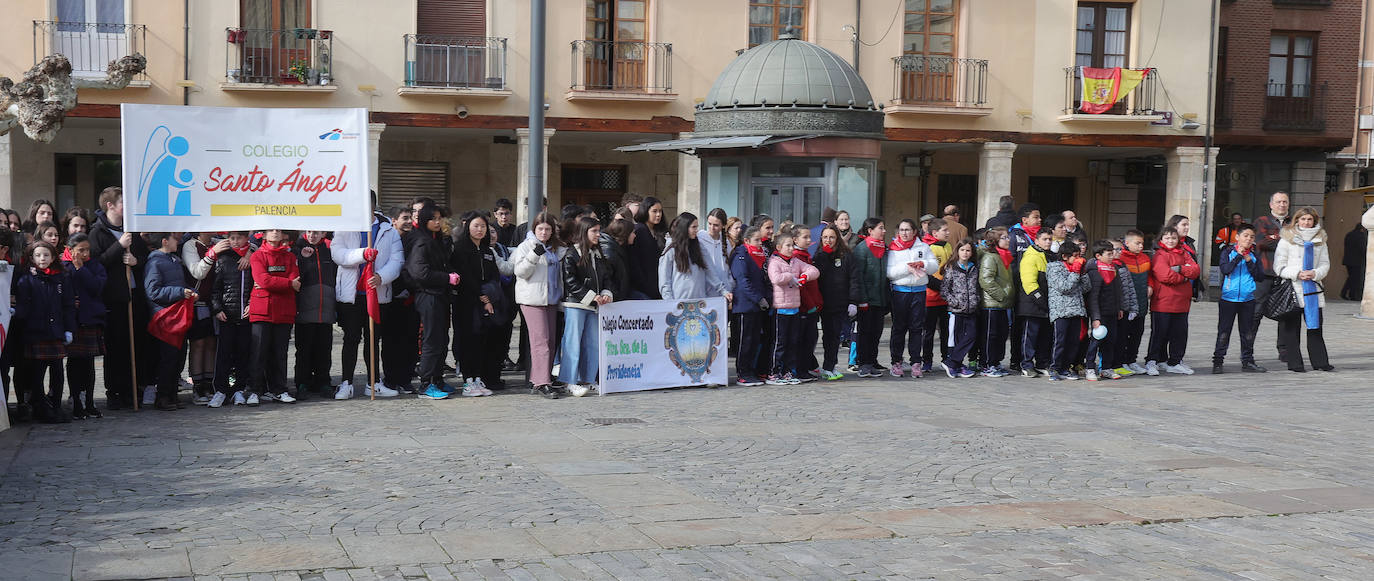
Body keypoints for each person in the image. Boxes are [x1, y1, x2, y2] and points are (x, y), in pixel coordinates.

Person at [333, 194, 405, 399]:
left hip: (377, 293)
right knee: (351, 338)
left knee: (373, 339)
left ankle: (373, 382)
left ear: (374, 206)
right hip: (352, 294)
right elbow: (338, 253)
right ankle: (346, 382)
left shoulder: (388, 230)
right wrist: (361, 254)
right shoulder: (345, 227)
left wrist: (381, 277)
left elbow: (397, 260)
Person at [88, 187, 152, 410]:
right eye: (123, 202)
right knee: (116, 347)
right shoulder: (97, 232)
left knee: (135, 346)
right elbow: (97, 263)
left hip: (134, 297)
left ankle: (131, 389)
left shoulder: (131, 230)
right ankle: (114, 391)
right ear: (110, 205)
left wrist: (136, 261)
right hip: (113, 299)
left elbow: (145, 257)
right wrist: (119, 246)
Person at [15, 241, 76, 421]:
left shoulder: (61, 278)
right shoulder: (26, 279)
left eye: (46, 255)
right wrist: (16, 312)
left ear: (53, 257)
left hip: (56, 331)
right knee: (37, 374)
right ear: (32, 258)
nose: (42, 259)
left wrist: (69, 329)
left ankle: (57, 405)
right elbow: (23, 304)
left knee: (58, 372)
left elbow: (68, 305)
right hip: (36, 332)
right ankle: (41, 407)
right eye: (38, 255)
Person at [406, 205, 461, 399]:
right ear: (424, 220)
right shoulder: (421, 240)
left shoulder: (436, 239)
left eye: (439, 218)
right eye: (433, 219)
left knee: (441, 338)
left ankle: (437, 378)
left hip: (441, 295)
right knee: (431, 339)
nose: (438, 222)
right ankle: (425, 383)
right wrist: (447, 278)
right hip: (428, 294)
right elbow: (420, 272)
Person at [560, 217, 619, 396]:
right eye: (594, 231)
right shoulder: (572, 254)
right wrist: (592, 297)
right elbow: (570, 281)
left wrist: (607, 293)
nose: (598, 234)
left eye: (599, 230)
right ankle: (569, 381)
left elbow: (607, 276)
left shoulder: (598, 253)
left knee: (593, 344)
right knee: (573, 343)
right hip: (576, 304)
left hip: (594, 306)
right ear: (584, 232)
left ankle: (588, 379)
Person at [452, 211, 508, 394]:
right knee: (468, 340)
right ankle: (468, 380)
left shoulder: (487, 251)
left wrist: (488, 296)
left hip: (486, 301)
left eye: (483, 226)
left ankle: (478, 378)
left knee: (481, 340)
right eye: (476, 226)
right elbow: (465, 277)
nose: (480, 229)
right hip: (467, 302)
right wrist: (481, 295)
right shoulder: (460, 249)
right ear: (467, 227)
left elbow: (493, 276)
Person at [244, 229, 299, 406]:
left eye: (278, 230)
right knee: (258, 353)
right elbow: (263, 280)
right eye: (271, 230)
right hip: (262, 310)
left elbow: (295, 279)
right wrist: (288, 284)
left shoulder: (290, 257)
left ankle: (280, 389)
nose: (275, 233)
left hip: (284, 310)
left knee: (280, 354)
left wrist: (286, 283)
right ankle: (254, 390)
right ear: (264, 235)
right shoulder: (257, 256)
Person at [1274, 207, 1333, 373]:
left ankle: (1320, 362)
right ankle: (1295, 363)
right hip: (1293, 288)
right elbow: (1279, 266)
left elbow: (1325, 264)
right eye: (1303, 219)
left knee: (1315, 327)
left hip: (1313, 289)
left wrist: (1315, 273)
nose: (1306, 223)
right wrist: (1297, 273)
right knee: (1292, 329)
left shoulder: (1321, 239)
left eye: (1309, 219)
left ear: (1314, 221)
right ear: (1297, 220)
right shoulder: (1287, 239)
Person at [513, 212, 564, 399]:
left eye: (548, 229)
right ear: (534, 229)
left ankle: (539, 378)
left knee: (550, 342)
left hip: (551, 299)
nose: (544, 232)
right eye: (540, 229)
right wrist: (533, 255)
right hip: (532, 299)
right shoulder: (526, 246)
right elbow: (520, 272)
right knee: (540, 342)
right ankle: (543, 382)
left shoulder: (554, 248)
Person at [144, 232, 196, 411]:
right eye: (174, 238)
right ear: (165, 241)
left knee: (178, 357)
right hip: (166, 317)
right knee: (168, 359)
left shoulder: (174, 260)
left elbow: (179, 285)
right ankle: (163, 396)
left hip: (177, 316)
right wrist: (180, 293)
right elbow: (153, 291)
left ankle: (172, 394)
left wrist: (188, 291)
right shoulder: (155, 262)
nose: (178, 240)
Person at [885, 218, 938, 378]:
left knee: (916, 328)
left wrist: (923, 264)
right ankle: (896, 362)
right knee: (899, 328)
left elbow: (934, 265)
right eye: (901, 230)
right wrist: (907, 268)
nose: (905, 233)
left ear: (915, 231)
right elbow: (890, 272)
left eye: (907, 230)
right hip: (900, 292)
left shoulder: (923, 246)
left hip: (919, 291)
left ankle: (916, 362)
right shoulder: (893, 249)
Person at [765, 229, 819, 384]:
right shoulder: (774, 262)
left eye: (792, 245)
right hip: (781, 308)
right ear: (779, 247)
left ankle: (788, 371)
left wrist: (804, 276)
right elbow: (775, 278)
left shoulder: (795, 261)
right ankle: (774, 372)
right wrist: (791, 276)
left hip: (794, 308)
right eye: (787, 246)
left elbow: (813, 270)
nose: (791, 248)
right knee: (780, 343)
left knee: (792, 341)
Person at [1145, 226, 1200, 376]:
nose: (1170, 241)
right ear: (1161, 239)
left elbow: (1195, 270)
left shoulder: (1184, 252)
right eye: (1167, 238)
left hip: (1182, 301)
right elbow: (1165, 276)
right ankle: (1152, 361)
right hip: (1163, 301)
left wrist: (1179, 269)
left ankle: (1175, 361)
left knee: (1180, 334)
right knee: (1159, 334)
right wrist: (1184, 277)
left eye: (1173, 238)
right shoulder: (1159, 255)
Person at [1212, 223, 1266, 374]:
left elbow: (1260, 276)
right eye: (1246, 236)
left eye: (1252, 237)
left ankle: (1248, 361)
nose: (1249, 239)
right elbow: (1226, 269)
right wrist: (1238, 257)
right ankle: (1218, 361)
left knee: (1247, 332)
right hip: (1228, 299)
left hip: (1247, 299)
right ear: (1237, 237)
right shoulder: (1227, 252)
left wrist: (1249, 260)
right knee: (1224, 331)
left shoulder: (1254, 255)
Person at [63, 233, 105, 419]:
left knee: (89, 362)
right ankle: (76, 401)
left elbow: (97, 287)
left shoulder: (95, 266)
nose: (85, 253)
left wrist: (81, 269)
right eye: (80, 250)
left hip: (90, 319)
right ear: (70, 251)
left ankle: (89, 400)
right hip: (73, 320)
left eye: (87, 249)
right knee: (74, 362)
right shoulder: (63, 267)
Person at [209, 231, 253, 408]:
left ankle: (239, 390)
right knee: (223, 355)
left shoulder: (253, 257)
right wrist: (217, 309)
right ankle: (221, 390)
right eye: (232, 238)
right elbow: (216, 289)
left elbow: (255, 286)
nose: (235, 242)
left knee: (243, 354)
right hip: (227, 315)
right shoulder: (224, 259)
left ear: (246, 239)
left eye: (239, 238)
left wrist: (252, 304)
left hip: (245, 316)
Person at [292, 230, 338, 399]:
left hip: (325, 308)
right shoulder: (297, 249)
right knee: (304, 350)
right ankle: (302, 383)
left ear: (323, 233)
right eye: (309, 232)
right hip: (305, 308)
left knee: (324, 349)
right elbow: (297, 276)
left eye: (316, 232)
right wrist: (303, 259)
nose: (312, 235)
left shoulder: (330, 250)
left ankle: (323, 382)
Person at [814, 225, 859, 380]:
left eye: (832, 237)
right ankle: (826, 366)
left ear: (837, 238)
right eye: (825, 237)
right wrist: (825, 257)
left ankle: (830, 365)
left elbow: (854, 279)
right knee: (827, 336)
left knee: (835, 336)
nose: (828, 240)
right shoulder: (819, 255)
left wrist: (853, 301)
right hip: (824, 303)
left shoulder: (846, 255)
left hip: (841, 303)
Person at [730, 225, 771, 386]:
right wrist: (758, 298)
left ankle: (750, 371)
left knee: (754, 341)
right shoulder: (741, 255)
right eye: (756, 240)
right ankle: (742, 372)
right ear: (746, 240)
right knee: (744, 341)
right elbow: (743, 281)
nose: (760, 243)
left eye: (760, 240)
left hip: (756, 306)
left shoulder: (758, 255)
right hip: (745, 305)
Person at [1253, 191, 1291, 361]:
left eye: (1284, 202)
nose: (1281, 205)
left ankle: (1284, 349)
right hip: (1265, 274)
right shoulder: (1262, 221)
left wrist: (1275, 238)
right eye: (1278, 202)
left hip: (1286, 275)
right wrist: (1285, 239)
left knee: (1286, 313)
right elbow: (1261, 242)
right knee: (1256, 312)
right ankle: (1248, 350)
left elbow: (1298, 243)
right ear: (1271, 204)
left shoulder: (1294, 222)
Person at [659, 212, 731, 300]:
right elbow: (664, 280)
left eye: (697, 227)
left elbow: (710, 271)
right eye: (694, 227)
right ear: (684, 228)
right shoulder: (671, 250)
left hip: (699, 303)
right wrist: (669, 301)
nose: (697, 230)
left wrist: (723, 291)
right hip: (678, 302)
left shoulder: (700, 247)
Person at [851, 218, 889, 377]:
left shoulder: (885, 249)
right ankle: (863, 363)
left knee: (876, 332)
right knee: (865, 332)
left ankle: (872, 360)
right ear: (870, 231)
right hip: (866, 300)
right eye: (881, 228)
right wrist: (862, 299)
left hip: (880, 298)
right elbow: (858, 276)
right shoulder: (862, 249)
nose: (884, 231)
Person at [1084, 240, 1126, 381]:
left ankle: (1106, 368)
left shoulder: (1113, 269)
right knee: (1096, 340)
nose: (1112, 256)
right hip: (1100, 313)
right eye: (1108, 254)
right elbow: (1093, 297)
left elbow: (1118, 290)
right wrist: (1095, 318)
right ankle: (1090, 367)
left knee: (1110, 341)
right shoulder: (1095, 272)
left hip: (1112, 312)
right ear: (1098, 256)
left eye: (1112, 253)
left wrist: (1119, 307)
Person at [1046, 240, 1088, 381]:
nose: (1077, 259)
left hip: (1076, 309)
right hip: (1061, 310)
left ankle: (1065, 368)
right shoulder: (1054, 268)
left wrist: (1082, 273)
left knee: (1073, 342)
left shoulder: (1076, 270)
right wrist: (1075, 272)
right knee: (1060, 341)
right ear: (1064, 256)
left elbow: (1086, 287)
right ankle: (1054, 368)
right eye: (1074, 256)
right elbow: (1064, 287)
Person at [940, 237, 979, 378]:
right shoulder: (951, 267)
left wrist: (976, 300)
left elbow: (976, 288)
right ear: (958, 251)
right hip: (956, 310)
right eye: (962, 250)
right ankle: (956, 364)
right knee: (955, 339)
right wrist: (955, 302)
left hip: (971, 309)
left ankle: (952, 362)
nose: (965, 253)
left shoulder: (974, 268)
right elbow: (944, 290)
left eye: (968, 250)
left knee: (971, 336)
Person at [978, 227, 1014, 378]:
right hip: (992, 304)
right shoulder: (990, 257)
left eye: (1007, 237)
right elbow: (986, 280)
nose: (1008, 240)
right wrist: (1002, 295)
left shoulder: (1005, 256)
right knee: (990, 335)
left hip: (1003, 304)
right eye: (1004, 238)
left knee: (1001, 334)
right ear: (996, 241)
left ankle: (996, 362)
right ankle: (986, 363)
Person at [1017, 229, 1053, 377]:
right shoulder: (1031, 257)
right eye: (1045, 239)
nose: (1048, 242)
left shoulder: (1048, 256)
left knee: (1044, 336)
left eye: (1050, 239)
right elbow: (1029, 283)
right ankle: (1026, 364)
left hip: (1044, 304)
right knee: (1030, 336)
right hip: (1032, 305)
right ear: (1036, 240)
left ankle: (1042, 363)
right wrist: (1041, 301)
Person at [919, 218, 952, 373]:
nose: (948, 233)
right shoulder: (927, 248)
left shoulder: (949, 246)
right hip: (930, 297)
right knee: (928, 332)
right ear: (934, 233)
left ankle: (947, 359)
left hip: (946, 298)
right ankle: (926, 360)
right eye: (944, 230)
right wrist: (941, 287)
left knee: (946, 331)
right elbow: (926, 273)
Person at [790, 225, 822, 380]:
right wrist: (811, 305)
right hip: (804, 307)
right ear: (795, 239)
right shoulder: (796, 257)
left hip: (811, 306)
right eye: (805, 237)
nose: (809, 240)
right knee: (804, 340)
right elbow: (800, 287)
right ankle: (800, 370)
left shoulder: (805, 255)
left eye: (810, 237)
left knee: (810, 338)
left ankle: (806, 367)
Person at [1117, 231, 1151, 374]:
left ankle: (1132, 360)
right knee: (1124, 334)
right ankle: (1122, 361)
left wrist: (1151, 285)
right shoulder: (1121, 258)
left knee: (1138, 333)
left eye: (1142, 243)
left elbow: (1151, 276)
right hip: (1127, 304)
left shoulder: (1146, 258)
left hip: (1142, 302)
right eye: (1137, 243)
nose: (1140, 246)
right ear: (1127, 243)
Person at [627, 196, 665, 299]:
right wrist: (642, 283)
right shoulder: (639, 230)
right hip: (643, 286)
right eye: (654, 211)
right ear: (645, 211)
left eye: (660, 211)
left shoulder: (660, 231)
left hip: (659, 283)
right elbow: (634, 260)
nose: (658, 215)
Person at [700, 208, 734, 296]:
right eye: (709, 224)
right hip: (705, 290)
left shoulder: (726, 243)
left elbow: (729, 267)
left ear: (723, 225)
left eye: (716, 225)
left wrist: (730, 285)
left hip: (724, 291)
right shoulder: (700, 238)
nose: (712, 228)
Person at [1342, 221, 1367, 300]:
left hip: (1348, 260)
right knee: (1355, 278)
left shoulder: (1349, 234)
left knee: (1352, 277)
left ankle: (1346, 293)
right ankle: (1351, 295)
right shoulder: (1360, 236)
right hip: (1357, 261)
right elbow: (1362, 248)